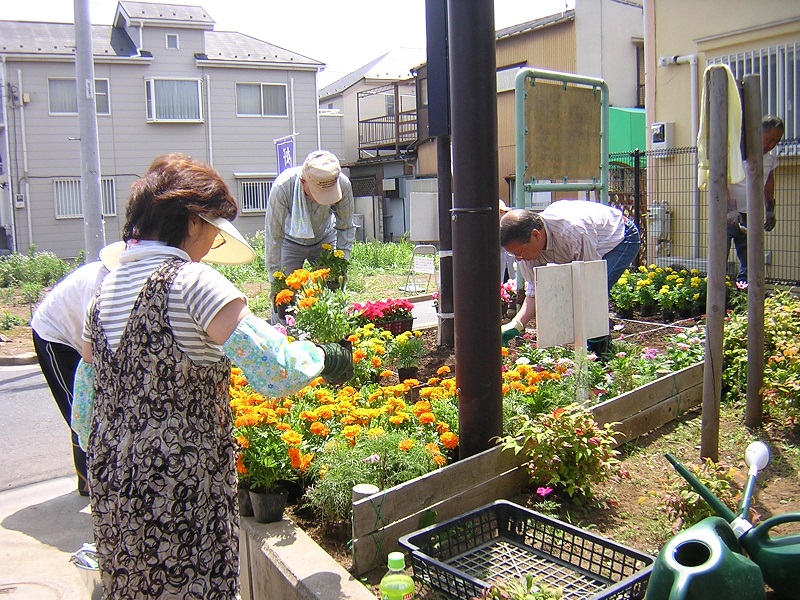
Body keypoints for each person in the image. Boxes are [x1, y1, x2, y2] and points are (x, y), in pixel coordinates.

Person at [72, 153, 352, 599]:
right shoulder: (194, 284)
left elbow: (85, 408)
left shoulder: (101, 296)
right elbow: (274, 368)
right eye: (215, 229)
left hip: (113, 483)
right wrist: (325, 356)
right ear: (191, 222)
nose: (213, 244)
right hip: (180, 483)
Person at [30, 241, 124, 496]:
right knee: (81, 407)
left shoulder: (120, 282)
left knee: (97, 408)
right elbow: (92, 347)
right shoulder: (98, 284)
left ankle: (97, 478)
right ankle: (90, 482)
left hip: (80, 342)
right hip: (55, 337)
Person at [499, 200, 640, 354]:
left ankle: (600, 357)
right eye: (513, 254)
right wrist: (516, 324)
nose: (518, 259)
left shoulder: (572, 233)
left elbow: (591, 279)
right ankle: (594, 352)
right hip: (590, 240)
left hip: (621, 236)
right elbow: (534, 293)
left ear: (536, 235)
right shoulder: (526, 253)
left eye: (519, 252)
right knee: (582, 299)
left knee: (592, 295)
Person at [265, 149, 356, 281]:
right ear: (303, 182)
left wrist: (340, 265)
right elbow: (273, 235)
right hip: (290, 241)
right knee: (286, 293)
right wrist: (274, 277)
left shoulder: (343, 184)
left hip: (325, 237)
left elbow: (346, 226)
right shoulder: (283, 187)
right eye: (319, 192)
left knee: (333, 285)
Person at [726, 115, 785, 282]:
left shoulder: (772, 154)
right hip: (727, 213)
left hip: (751, 213)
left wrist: (770, 209)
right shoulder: (738, 149)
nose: (772, 144)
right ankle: (719, 299)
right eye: (770, 139)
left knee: (750, 259)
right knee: (720, 257)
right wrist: (731, 211)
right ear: (760, 132)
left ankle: (743, 296)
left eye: (777, 141)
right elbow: (722, 180)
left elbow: (769, 179)